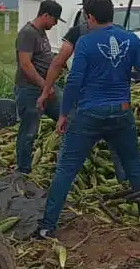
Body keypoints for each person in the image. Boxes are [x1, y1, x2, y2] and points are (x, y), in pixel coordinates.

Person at [38, 0, 140, 240]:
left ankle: (47, 225)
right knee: (134, 166)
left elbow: (74, 81)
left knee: (66, 170)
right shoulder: (131, 39)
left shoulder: (86, 43)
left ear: (89, 17)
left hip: (89, 114)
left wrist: (63, 114)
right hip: (122, 111)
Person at [34, 11, 130, 182]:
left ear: (88, 15)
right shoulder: (122, 33)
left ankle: (64, 180)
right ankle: (127, 182)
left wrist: (46, 91)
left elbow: (58, 63)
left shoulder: (78, 32)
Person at [13, 0, 65, 174]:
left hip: (47, 87)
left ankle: (64, 162)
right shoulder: (28, 33)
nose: (55, 23)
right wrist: (44, 85)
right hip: (30, 89)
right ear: (46, 15)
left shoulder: (41, 33)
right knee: (29, 130)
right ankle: (23, 169)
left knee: (68, 115)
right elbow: (26, 65)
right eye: (55, 19)